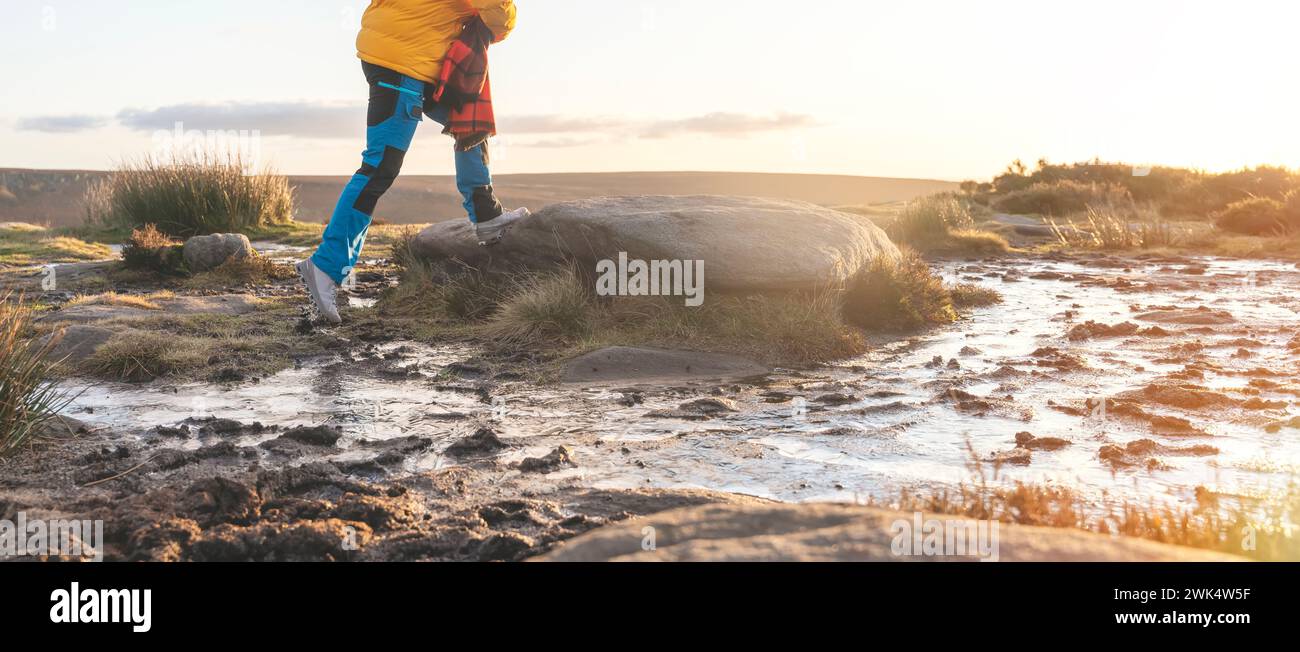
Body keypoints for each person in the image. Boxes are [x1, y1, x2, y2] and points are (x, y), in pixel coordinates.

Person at [298, 0, 526, 324]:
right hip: (402, 61)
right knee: (379, 166)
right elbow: (497, 14)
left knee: (469, 119)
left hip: (403, 53)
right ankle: (325, 266)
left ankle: (486, 215)